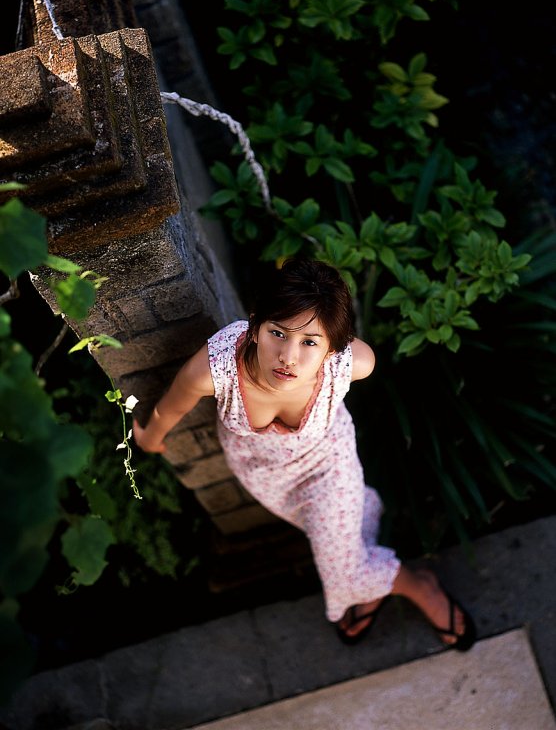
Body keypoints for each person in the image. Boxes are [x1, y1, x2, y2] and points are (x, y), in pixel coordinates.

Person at [133, 257, 475, 650]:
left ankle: (418, 586)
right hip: (264, 474)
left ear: (332, 349)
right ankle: (374, 582)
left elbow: (343, 347)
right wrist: (150, 437)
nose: (288, 357)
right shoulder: (217, 368)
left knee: (343, 572)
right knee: (332, 538)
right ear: (255, 325)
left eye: (310, 342)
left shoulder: (353, 363)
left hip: (328, 463)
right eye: (277, 333)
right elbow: (169, 408)